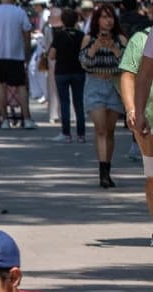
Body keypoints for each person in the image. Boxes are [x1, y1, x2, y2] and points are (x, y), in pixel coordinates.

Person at [80, 4, 126, 189]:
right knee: (100, 129)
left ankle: (108, 167)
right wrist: (95, 47)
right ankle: (103, 174)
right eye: (104, 17)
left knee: (110, 130)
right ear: (97, 20)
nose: (108, 21)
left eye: (111, 17)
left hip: (114, 86)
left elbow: (128, 63)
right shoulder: (88, 38)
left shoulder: (120, 39)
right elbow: (84, 63)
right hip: (95, 85)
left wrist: (115, 49)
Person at [120, 24, 153, 246]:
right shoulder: (142, 39)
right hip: (150, 118)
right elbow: (138, 75)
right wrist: (135, 111)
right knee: (152, 177)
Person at [0, 0, 37, 129]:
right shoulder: (20, 13)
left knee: (0, 86)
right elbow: (27, 34)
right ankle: (27, 118)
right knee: (21, 86)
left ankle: (4, 120)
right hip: (16, 54)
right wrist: (27, 53)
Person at [49, 7, 86, 143]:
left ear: (63, 20)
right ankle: (81, 134)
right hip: (78, 71)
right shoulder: (81, 35)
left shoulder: (59, 35)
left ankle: (66, 133)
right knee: (79, 103)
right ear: (76, 20)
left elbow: (52, 55)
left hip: (62, 71)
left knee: (64, 102)